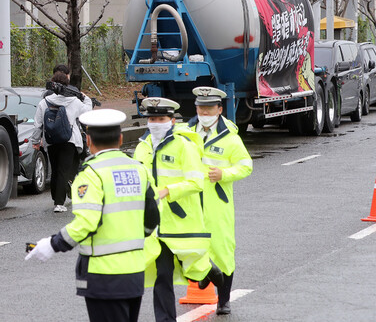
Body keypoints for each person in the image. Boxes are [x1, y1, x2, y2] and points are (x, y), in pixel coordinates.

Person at [25, 109, 160, 322]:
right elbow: (152, 218)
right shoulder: (139, 169)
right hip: (134, 271)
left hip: (103, 275)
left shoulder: (91, 174)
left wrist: (53, 244)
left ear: (88, 140)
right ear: (121, 138)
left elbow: (87, 222)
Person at [133, 97, 223, 322]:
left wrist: (167, 191)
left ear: (172, 121)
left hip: (180, 220)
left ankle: (208, 271)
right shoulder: (142, 148)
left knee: (190, 262)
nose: (155, 123)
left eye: (161, 118)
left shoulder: (184, 146)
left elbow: (196, 183)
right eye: (152, 118)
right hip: (154, 223)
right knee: (161, 275)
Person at [185, 87, 253, 315]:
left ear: (219, 109)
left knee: (222, 249)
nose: (204, 112)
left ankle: (223, 300)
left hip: (217, 201)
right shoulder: (184, 133)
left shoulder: (230, 138)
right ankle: (205, 274)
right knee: (187, 244)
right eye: (200, 107)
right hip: (189, 199)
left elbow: (246, 165)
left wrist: (224, 174)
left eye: (209, 108)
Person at [31, 71, 92, 212]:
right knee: (63, 170)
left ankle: (55, 200)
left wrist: (35, 141)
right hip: (68, 140)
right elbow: (87, 112)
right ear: (67, 85)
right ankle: (59, 203)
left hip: (51, 140)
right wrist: (85, 97)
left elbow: (37, 124)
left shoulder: (44, 102)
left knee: (55, 170)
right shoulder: (75, 102)